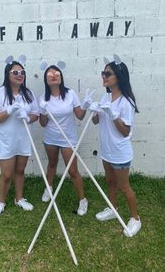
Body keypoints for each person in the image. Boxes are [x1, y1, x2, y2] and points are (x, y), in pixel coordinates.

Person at [90, 57, 141, 237]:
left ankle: (135, 219)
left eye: (108, 73)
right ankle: (113, 208)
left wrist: (112, 115)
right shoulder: (106, 96)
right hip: (106, 150)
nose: (104, 76)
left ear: (118, 76)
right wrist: (93, 109)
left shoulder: (126, 102)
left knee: (124, 187)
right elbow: (96, 121)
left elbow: (125, 132)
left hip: (120, 152)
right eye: (103, 73)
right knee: (110, 182)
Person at [0, 58, 39, 218]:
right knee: (7, 174)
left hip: (23, 139)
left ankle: (19, 198)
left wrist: (28, 117)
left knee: (20, 170)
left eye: (22, 72)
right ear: (7, 74)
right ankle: (1, 202)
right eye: (15, 72)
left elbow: (36, 114)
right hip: (6, 140)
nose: (20, 75)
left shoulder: (28, 93)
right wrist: (8, 111)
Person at [39, 65, 93, 216]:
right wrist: (42, 111)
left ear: (61, 77)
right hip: (51, 138)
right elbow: (43, 124)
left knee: (73, 170)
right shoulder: (43, 99)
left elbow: (80, 116)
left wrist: (85, 105)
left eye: (56, 73)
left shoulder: (70, 94)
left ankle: (83, 200)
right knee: (52, 164)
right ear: (46, 80)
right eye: (49, 74)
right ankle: (48, 188)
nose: (53, 76)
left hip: (68, 138)